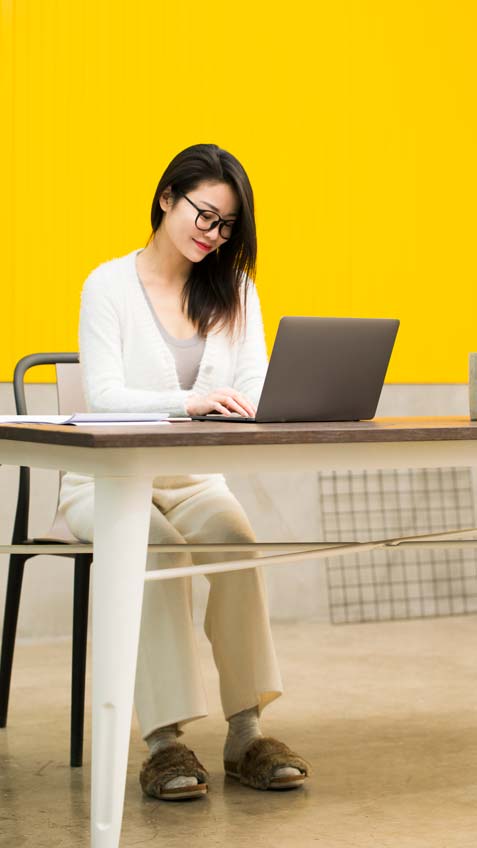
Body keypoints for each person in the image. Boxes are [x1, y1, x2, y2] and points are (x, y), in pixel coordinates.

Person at [58, 143, 310, 801]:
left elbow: (253, 379)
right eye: (204, 215)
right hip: (105, 480)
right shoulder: (106, 285)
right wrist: (187, 400)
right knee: (158, 551)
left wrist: (266, 402)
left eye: (226, 225)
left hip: (194, 477)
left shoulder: (234, 289)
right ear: (167, 196)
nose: (213, 234)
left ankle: (246, 733)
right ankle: (164, 743)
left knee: (235, 543)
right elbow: (105, 396)